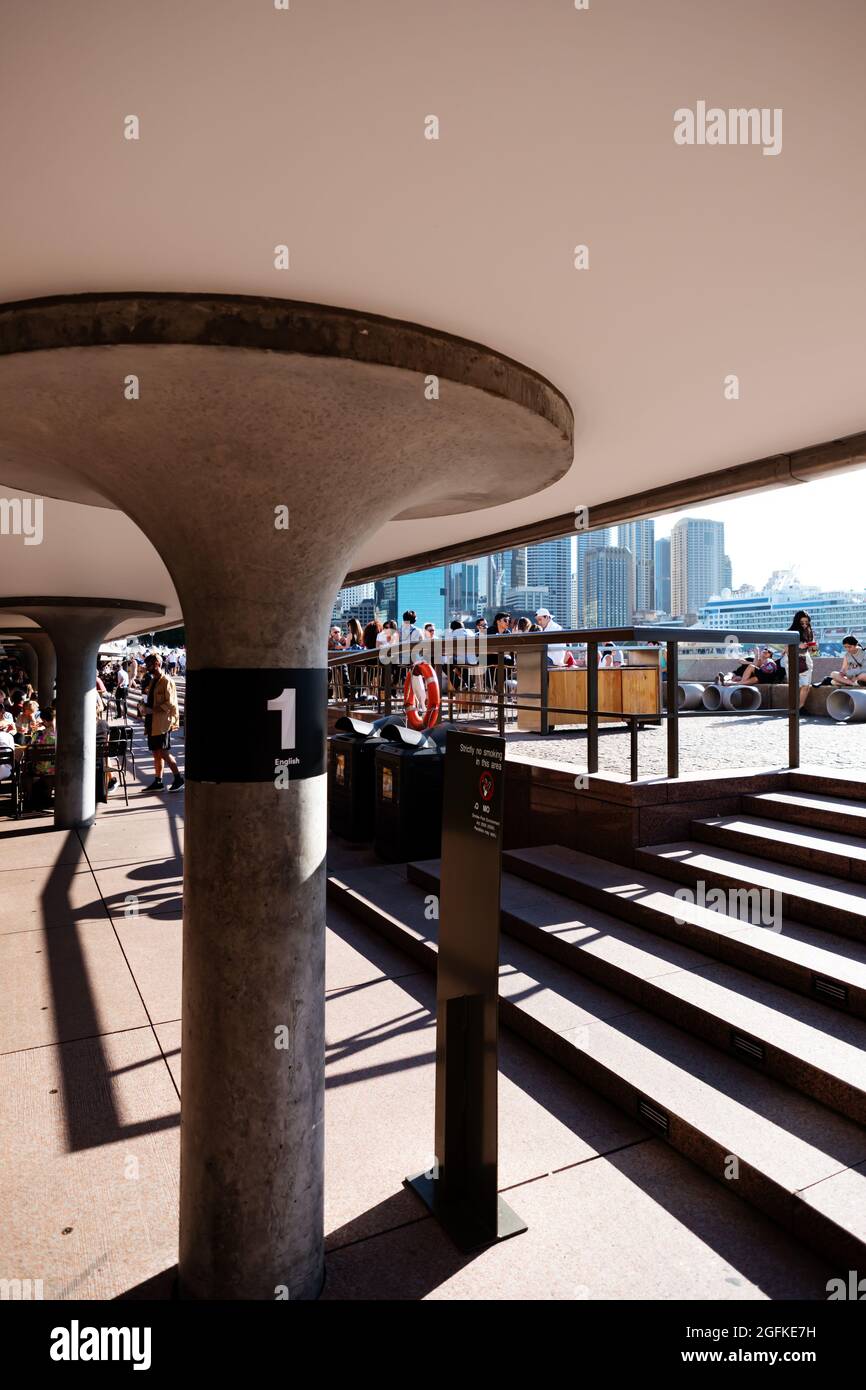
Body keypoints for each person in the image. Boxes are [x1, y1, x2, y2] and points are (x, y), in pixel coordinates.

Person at [141, 653, 184, 792]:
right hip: (153, 722)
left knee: (164, 752)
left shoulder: (167, 681)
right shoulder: (154, 680)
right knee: (156, 752)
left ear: (157, 664)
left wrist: (151, 710)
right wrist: (143, 706)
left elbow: (169, 704)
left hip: (162, 723)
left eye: (149, 665)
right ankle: (158, 781)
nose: (147, 668)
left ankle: (179, 778)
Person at [789, 610, 818, 711]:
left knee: (806, 685)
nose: (805, 625)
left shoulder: (809, 632)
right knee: (795, 686)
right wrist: (797, 645)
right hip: (792, 660)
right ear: (797, 622)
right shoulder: (790, 632)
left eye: (807, 622)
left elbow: (813, 653)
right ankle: (793, 709)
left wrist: (814, 648)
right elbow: (785, 650)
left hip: (805, 659)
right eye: (802, 623)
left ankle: (800, 708)